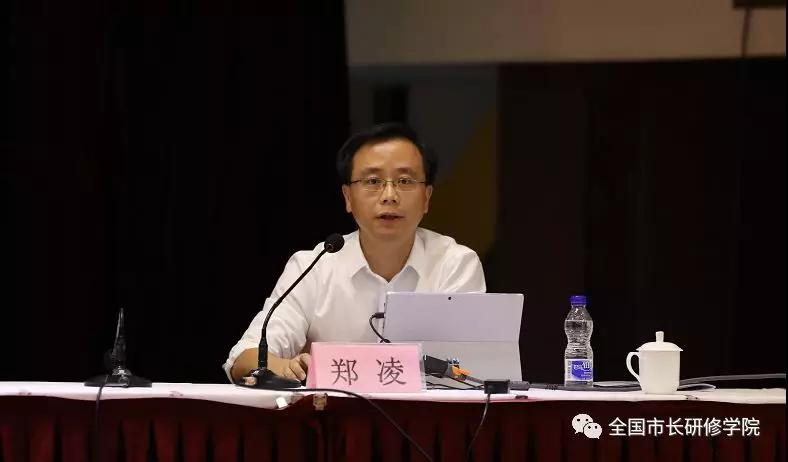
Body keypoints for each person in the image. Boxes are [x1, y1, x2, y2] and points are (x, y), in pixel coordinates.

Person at [224, 123, 486, 382]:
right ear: (348, 197)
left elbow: (472, 369)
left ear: (426, 197)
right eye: (373, 181)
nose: (389, 195)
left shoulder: (455, 264)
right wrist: (285, 367)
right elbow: (243, 358)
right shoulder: (313, 267)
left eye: (405, 181)